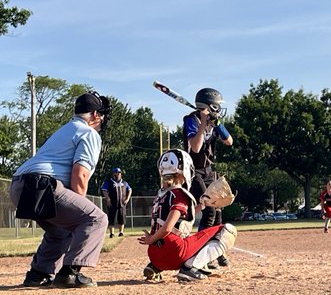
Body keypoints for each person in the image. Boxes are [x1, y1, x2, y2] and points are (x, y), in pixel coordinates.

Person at [9, 91, 111, 288]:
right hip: (42, 185)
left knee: (60, 231)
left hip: (19, 186)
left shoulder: (66, 129)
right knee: (96, 219)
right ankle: (70, 273)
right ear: (95, 115)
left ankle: (38, 274)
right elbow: (80, 174)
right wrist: (79, 209)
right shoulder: (89, 133)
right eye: (101, 115)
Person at [139, 149, 237, 283]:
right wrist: (151, 239)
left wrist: (203, 204)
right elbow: (168, 228)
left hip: (155, 255)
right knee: (228, 230)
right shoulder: (180, 194)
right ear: (184, 170)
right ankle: (190, 268)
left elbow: (181, 218)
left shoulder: (161, 194)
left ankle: (155, 267)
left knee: (176, 238)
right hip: (174, 252)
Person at [184, 87, 234, 267]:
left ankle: (216, 251)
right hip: (194, 171)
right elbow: (195, 148)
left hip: (209, 171)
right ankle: (200, 253)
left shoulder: (214, 121)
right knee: (209, 209)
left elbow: (229, 141)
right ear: (209, 105)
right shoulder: (191, 120)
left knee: (218, 209)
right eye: (217, 106)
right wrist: (203, 123)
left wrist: (217, 124)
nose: (219, 109)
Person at [100, 167, 133, 238]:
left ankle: (121, 232)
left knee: (122, 217)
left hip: (122, 203)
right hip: (112, 203)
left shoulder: (124, 183)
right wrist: (108, 199)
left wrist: (127, 199)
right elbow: (104, 190)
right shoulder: (109, 182)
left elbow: (130, 190)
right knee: (111, 218)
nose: (117, 174)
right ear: (113, 174)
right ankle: (112, 233)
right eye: (116, 173)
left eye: (119, 173)